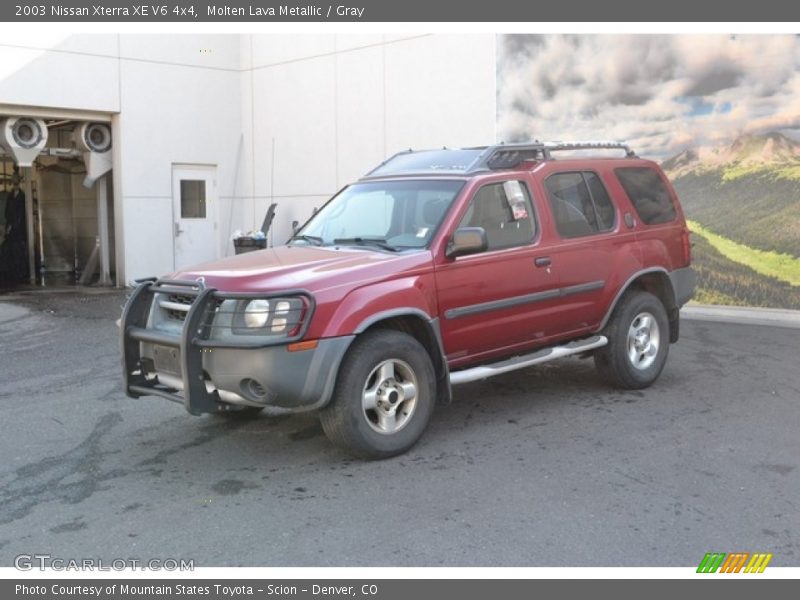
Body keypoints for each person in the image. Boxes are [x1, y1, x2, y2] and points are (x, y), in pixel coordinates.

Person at [3, 174, 29, 284]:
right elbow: (7, 212)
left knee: (19, 251)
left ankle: (20, 274)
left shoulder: (22, 196)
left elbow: (21, 214)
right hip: (12, 228)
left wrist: (13, 225)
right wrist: (8, 225)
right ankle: (13, 273)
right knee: (11, 251)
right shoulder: (10, 196)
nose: (14, 183)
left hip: (18, 229)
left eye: (16, 181)